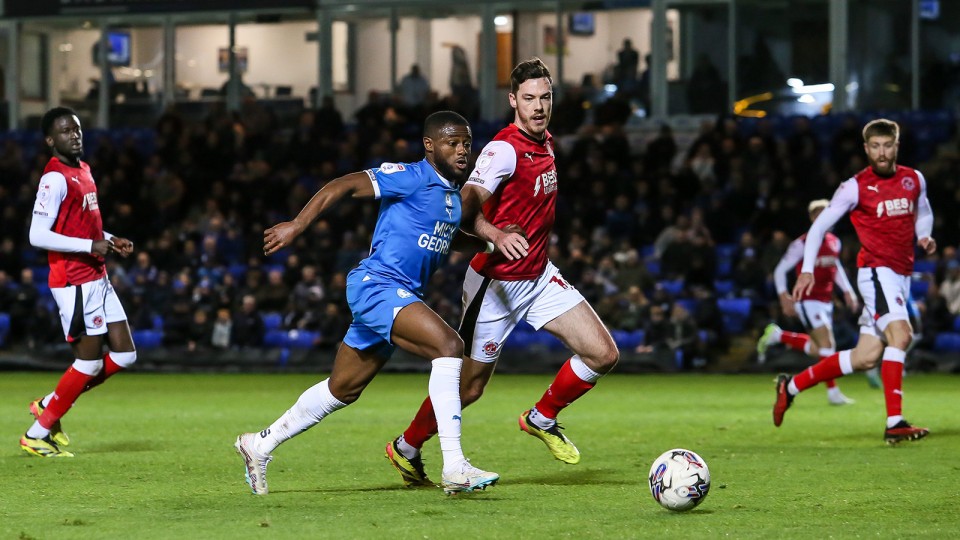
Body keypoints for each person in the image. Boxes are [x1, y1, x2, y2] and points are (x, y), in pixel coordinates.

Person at [234, 111, 500, 495]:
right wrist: (298, 223)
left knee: (342, 389)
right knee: (450, 347)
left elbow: (448, 236)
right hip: (378, 286)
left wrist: (492, 244)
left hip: (397, 295)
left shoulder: (452, 198)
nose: (462, 151)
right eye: (452, 142)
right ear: (429, 145)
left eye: (466, 144)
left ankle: (258, 444)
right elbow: (343, 185)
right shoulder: (410, 176)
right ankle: (455, 466)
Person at [385, 58, 619, 488]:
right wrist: (494, 234)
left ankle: (541, 417)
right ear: (513, 100)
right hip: (496, 285)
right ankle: (406, 447)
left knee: (603, 354)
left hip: (538, 276)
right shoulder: (503, 150)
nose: (538, 106)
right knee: (470, 388)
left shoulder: (546, 142)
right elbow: (464, 206)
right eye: (528, 98)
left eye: (545, 97)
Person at [774, 118, 936, 445]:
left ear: (896, 145)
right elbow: (819, 229)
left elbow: (924, 211)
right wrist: (806, 269)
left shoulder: (913, 179)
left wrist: (924, 235)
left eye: (887, 145)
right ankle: (895, 422)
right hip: (877, 272)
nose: (881, 152)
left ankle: (789, 387)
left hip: (899, 275)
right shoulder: (855, 186)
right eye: (874, 146)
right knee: (901, 336)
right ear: (866, 148)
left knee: (864, 357)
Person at [20, 107, 138, 458]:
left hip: (97, 275)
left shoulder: (84, 170)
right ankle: (36, 434)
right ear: (49, 140)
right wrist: (90, 245)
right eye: (65, 131)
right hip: (73, 282)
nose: (74, 135)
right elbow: (36, 235)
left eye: (77, 129)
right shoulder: (53, 179)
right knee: (88, 364)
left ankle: (48, 403)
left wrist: (110, 238)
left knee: (126, 355)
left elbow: (84, 227)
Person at [757, 199, 859, 405]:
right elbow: (779, 271)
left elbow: (835, 266)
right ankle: (833, 393)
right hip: (807, 299)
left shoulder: (834, 242)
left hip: (825, 300)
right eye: (819, 213)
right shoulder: (801, 244)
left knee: (817, 348)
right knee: (828, 345)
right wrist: (783, 295)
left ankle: (778, 336)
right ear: (812, 218)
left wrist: (848, 291)